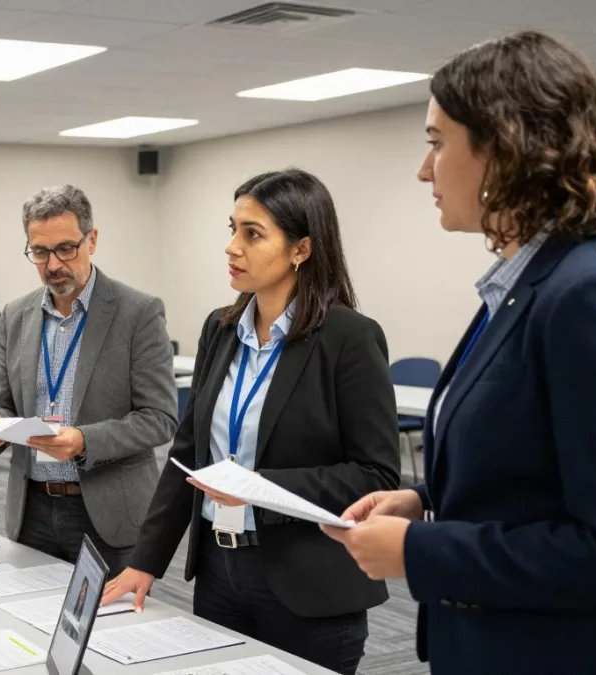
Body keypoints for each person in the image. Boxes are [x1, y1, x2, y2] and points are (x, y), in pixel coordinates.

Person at [324, 32, 596, 675]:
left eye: (437, 143)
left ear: (504, 148)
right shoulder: (524, 284)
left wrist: (421, 551)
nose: (422, 169)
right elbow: (529, 478)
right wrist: (426, 501)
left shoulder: (589, 291)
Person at [102, 169, 401, 675]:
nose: (231, 247)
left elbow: (377, 478)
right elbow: (187, 455)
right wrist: (146, 559)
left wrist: (261, 487)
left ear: (301, 249)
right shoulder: (220, 330)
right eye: (232, 228)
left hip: (310, 585)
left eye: (252, 233)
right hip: (220, 573)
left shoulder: (349, 338)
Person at [0, 185, 178, 575]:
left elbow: (160, 418)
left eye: (66, 249)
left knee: (114, 633)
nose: (53, 264)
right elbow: (1, 400)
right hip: (31, 511)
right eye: (39, 252)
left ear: (92, 240)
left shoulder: (137, 312)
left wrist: (85, 441)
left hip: (107, 514)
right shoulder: (15, 315)